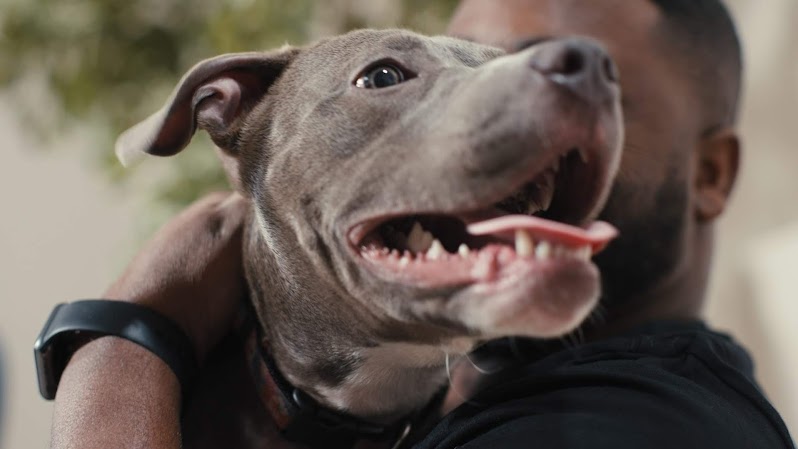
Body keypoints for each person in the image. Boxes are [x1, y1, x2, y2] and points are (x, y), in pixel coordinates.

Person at [47, 0, 796, 448]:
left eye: (602, 77)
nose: (517, 91)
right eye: (388, 77)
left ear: (712, 173)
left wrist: (126, 335)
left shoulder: (639, 423)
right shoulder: (486, 381)